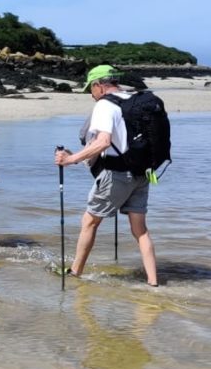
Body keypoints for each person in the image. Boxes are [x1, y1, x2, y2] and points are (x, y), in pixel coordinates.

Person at [54, 65, 159, 286]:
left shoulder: (105, 105)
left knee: (89, 221)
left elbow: (103, 142)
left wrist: (69, 160)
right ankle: (153, 283)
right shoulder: (133, 100)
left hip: (116, 175)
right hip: (142, 173)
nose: (91, 95)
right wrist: (77, 156)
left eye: (90, 89)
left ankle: (75, 273)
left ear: (99, 85)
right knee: (140, 230)